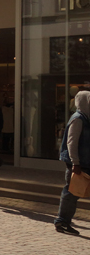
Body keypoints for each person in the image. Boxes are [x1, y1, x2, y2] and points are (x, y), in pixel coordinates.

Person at [54, 90, 90, 235]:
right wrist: (75, 162)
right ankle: (62, 221)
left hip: (85, 161)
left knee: (72, 193)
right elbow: (71, 142)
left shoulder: (86, 118)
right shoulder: (78, 119)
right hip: (78, 163)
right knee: (71, 192)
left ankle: (63, 221)